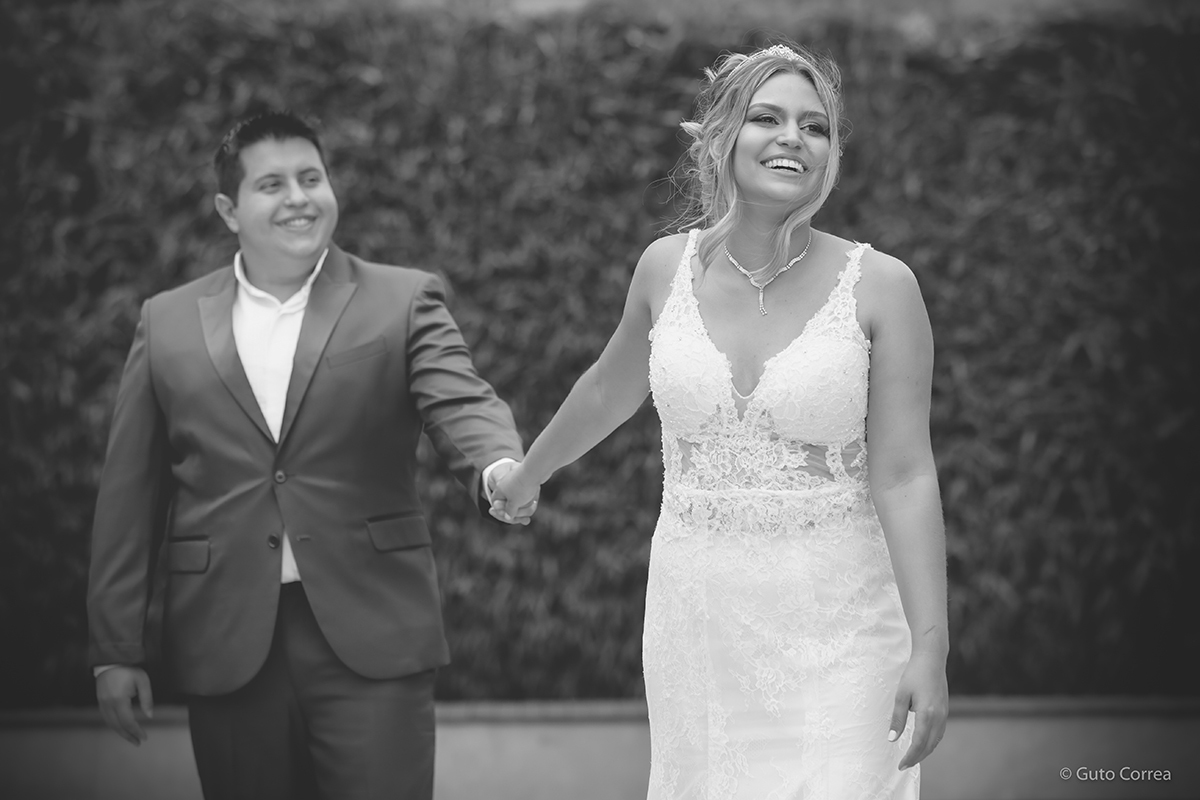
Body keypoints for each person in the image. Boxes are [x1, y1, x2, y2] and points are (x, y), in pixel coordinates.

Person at [491, 41, 948, 798]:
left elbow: (904, 476)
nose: (793, 138)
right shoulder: (662, 269)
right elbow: (607, 390)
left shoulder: (883, 286)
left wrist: (930, 648)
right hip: (699, 622)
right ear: (724, 136)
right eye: (768, 118)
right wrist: (526, 476)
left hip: (844, 629)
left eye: (815, 126)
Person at [87, 110, 534, 800]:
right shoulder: (165, 321)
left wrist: (499, 467)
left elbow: (461, 401)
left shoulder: (403, 298)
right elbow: (131, 491)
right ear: (229, 210)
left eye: (310, 178)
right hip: (225, 637)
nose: (298, 197)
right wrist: (115, 650)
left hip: (373, 630)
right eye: (272, 184)